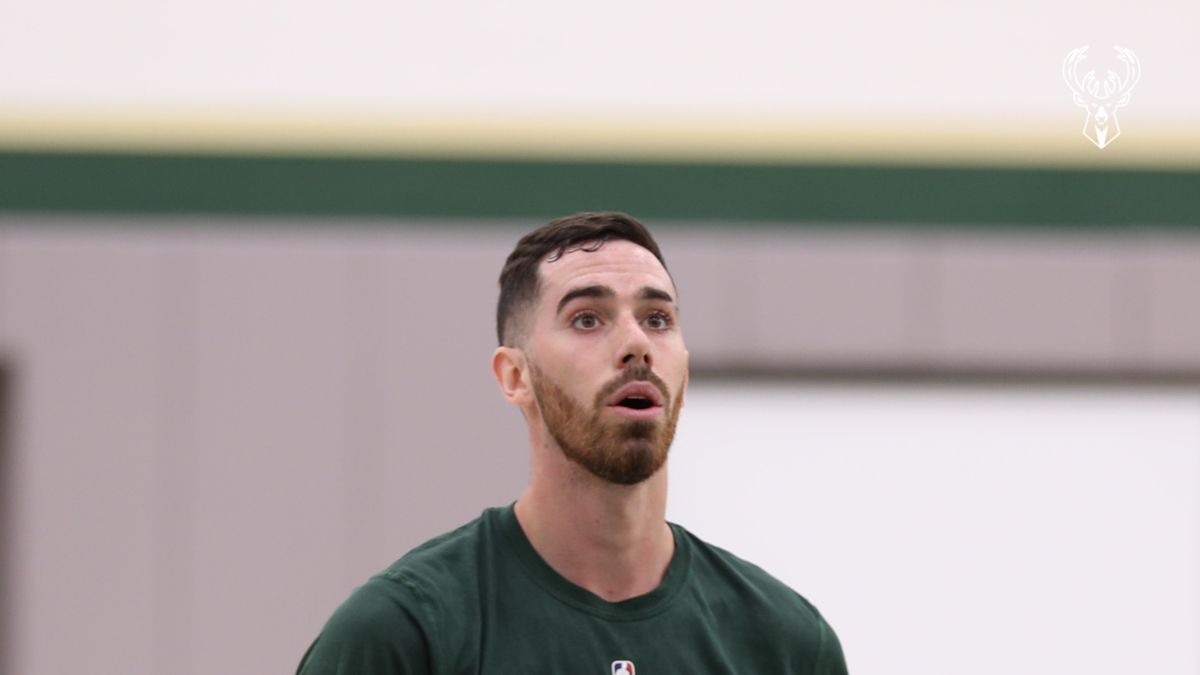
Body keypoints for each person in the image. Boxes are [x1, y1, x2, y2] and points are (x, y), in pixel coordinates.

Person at [296, 211, 849, 674]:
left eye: (658, 318)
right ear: (515, 377)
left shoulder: (786, 643)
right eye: (587, 319)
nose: (636, 343)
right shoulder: (407, 631)